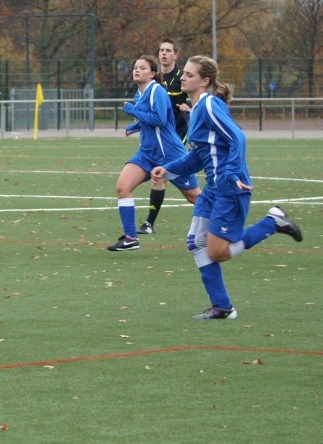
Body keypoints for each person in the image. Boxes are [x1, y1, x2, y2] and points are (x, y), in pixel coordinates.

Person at [151, 55, 303, 320]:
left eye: (189, 74)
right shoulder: (196, 108)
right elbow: (198, 156)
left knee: (218, 252)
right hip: (213, 189)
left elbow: (237, 137)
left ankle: (272, 223)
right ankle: (222, 307)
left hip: (230, 188)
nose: (183, 77)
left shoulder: (209, 105)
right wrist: (170, 170)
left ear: (205, 81)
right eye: (183, 73)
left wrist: (231, 172)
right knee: (196, 243)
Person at [107, 55, 200, 251]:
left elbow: (159, 119)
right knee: (123, 187)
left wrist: (132, 111)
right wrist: (134, 127)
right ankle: (131, 237)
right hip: (147, 153)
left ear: (152, 73)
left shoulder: (157, 90)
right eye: (135, 67)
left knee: (194, 197)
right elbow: (146, 120)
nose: (136, 70)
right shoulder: (138, 94)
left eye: (142, 67)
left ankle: (226, 222)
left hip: (170, 154)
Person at [138, 38, 191, 235]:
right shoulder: (154, 79)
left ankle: (214, 209)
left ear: (176, 55)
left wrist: (189, 107)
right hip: (159, 138)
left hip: (177, 136)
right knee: (158, 178)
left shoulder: (182, 77)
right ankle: (149, 224)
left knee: (165, 180)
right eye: (161, 50)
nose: (164, 54)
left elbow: (197, 97)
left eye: (169, 50)